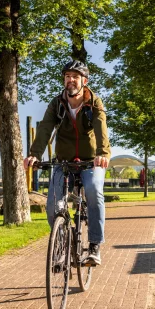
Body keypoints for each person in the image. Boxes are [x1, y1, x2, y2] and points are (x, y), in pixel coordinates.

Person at [23, 60, 110, 266]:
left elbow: (101, 128)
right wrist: (35, 154)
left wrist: (102, 153)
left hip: (91, 161)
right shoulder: (57, 104)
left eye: (75, 77)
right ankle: (61, 246)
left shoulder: (93, 103)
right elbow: (45, 128)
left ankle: (95, 245)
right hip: (63, 161)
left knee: (94, 191)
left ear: (84, 81)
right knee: (53, 205)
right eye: (67, 76)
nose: (70, 80)